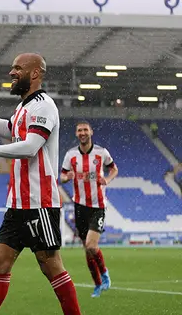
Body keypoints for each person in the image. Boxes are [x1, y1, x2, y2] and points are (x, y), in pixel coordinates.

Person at [0, 53, 81, 315]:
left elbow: (31, 147)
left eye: (17, 68)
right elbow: (9, 128)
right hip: (17, 203)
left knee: (50, 265)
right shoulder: (24, 107)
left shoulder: (44, 106)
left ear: (34, 73)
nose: (11, 73)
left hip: (40, 202)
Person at [60, 121, 117, 297]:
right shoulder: (71, 155)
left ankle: (105, 273)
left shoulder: (102, 153)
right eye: (79, 130)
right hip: (79, 207)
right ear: (76, 134)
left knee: (92, 246)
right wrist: (66, 177)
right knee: (87, 248)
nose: (82, 133)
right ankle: (98, 284)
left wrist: (107, 180)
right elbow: (62, 176)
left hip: (98, 206)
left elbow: (113, 169)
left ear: (91, 132)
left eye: (85, 129)